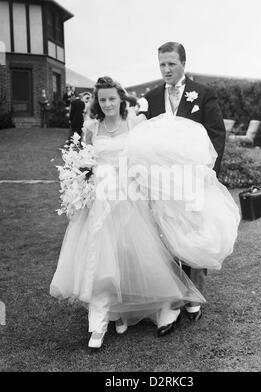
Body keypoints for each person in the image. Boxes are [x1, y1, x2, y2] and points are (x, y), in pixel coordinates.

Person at [50, 76, 214, 349]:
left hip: (129, 198)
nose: (108, 104)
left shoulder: (134, 123)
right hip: (100, 201)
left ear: (121, 99)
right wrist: (82, 177)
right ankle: (102, 321)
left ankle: (131, 311)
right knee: (101, 255)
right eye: (102, 100)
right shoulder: (91, 126)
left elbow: (146, 157)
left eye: (112, 98)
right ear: (97, 101)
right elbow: (87, 158)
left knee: (132, 254)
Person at [138, 41, 227, 329]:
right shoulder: (151, 98)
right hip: (162, 183)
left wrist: (207, 171)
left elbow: (216, 134)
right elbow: (143, 141)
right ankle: (174, 294)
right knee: (166, 236)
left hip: (194, 178)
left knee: (194, 234)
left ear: (183, 64)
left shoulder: (204, 94)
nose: (166, 69)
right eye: (162, 64)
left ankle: (195, 296)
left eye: (171, 64)